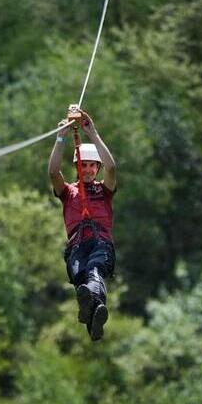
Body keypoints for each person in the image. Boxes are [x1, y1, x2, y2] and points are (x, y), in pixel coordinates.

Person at [48, 108, 117, 341]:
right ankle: (95, 318)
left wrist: (93, 133)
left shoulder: (103, 190)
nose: (87, 169)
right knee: (80, 278)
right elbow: (53, 171)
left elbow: (112, 168)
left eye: (91, 166)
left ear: (96, 168)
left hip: (100, 244)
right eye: (83, 165)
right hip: (77, 247)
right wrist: (61, 137)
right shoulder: (68, 192)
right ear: (77, 167)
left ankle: (95, 314)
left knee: (94, 271)